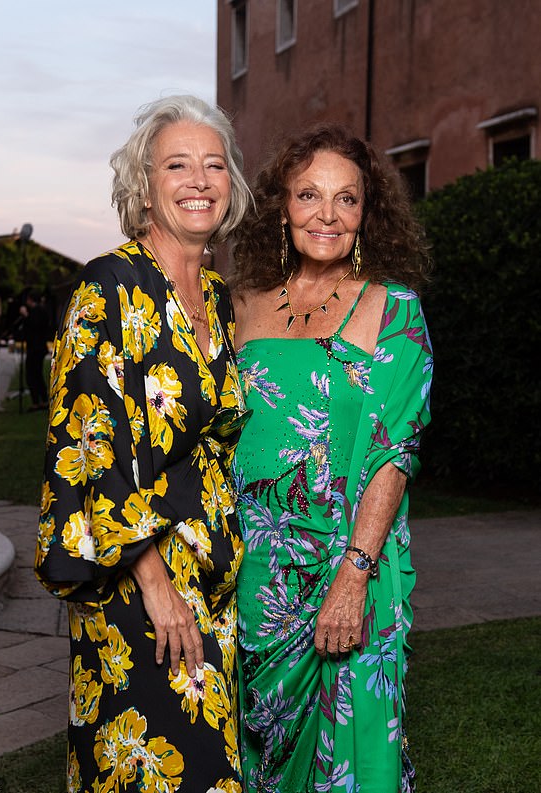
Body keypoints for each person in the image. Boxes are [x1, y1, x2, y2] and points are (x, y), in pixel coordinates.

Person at [34, 95, 252, 793]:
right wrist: (155, 587)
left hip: (214, 576)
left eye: (214, 165)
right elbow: (87, 443)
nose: (199, 180)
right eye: (178, 164)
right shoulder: (109, 285)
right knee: (154, 764)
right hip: (138, 578)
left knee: (209, 764)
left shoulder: (217, 297)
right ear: (145, 186)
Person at [230, 123, 433, 793]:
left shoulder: (393, 308)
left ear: (367, 213)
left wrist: (354, 574)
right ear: (280, 205)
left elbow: (393, 453)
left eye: (347, 199)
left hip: (351, 566)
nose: (327, 214)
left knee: (350, 754)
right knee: (256, 749)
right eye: (309, 194)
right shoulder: (240, 304)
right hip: (253, 571)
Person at [19, 290, 50, 410]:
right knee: (36, 374)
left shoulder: (37, 312)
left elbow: (34, 325)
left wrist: (26, 316)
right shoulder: (41, 311)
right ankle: (42, 399)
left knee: (32, 374)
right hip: (38, 347)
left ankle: (37, 401)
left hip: (36, 347)